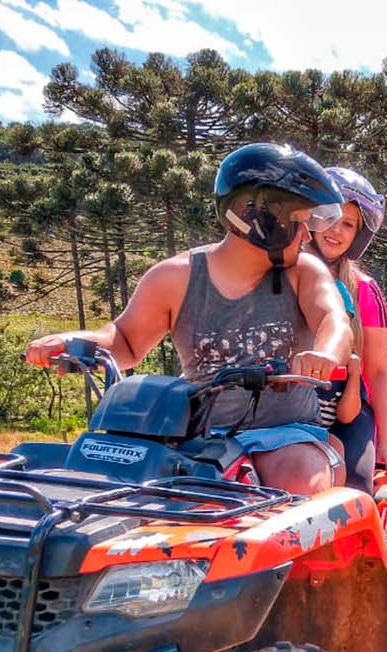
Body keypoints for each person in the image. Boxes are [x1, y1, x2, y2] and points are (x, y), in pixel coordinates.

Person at [24, 143, 353, 496]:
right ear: (262, 221)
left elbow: (333, 319)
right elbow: (125, 340)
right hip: (195, 438)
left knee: (300, 480)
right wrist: (75, 341)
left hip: (288, 433)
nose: (307, 236)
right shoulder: (174, 277)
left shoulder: (304, 271)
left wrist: (326, 353)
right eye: (300, 223)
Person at [306, 166, 387, 488]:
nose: (335, 230)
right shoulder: (274, 279)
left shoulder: (363, 290)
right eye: (329, 217)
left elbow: (379, 369)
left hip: (344, 411)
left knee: (354, 484)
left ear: (357, 236)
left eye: (348, 224)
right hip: (284, 410)